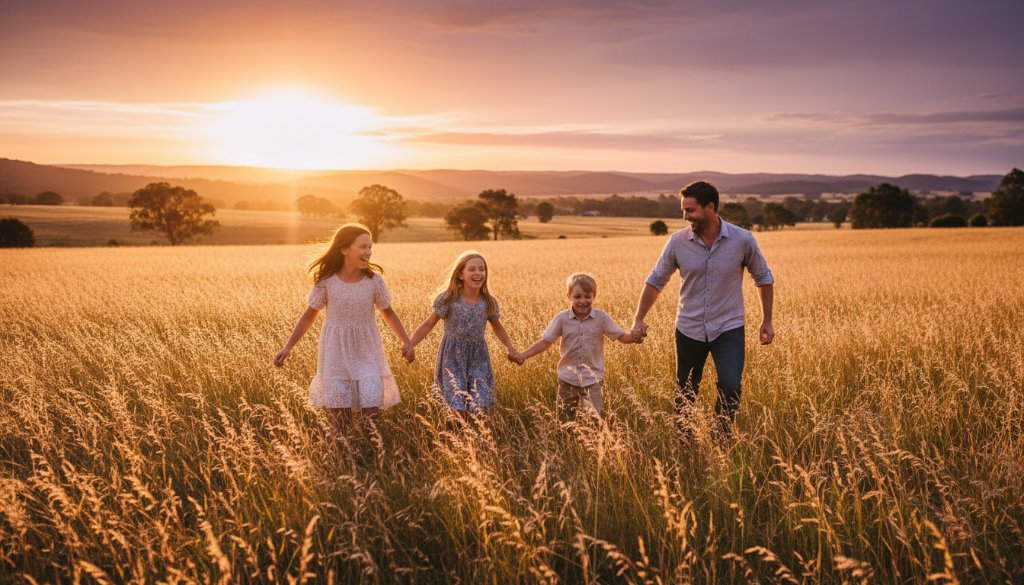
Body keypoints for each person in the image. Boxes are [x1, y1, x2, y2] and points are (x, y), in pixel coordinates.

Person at [631, 180, 775, 438]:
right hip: (689, 327)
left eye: (690, 210)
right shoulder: (677, 243)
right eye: (684, 210)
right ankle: (685, 442)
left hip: (728, 327)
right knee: (686, 390)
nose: (686, 217)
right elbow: (655, 281)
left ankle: (721, 436)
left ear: (710, 207)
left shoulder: (743, 240)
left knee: (731, 385)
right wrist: (639, 318)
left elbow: (764, 278)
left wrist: (767, 321)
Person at [274, 223, 414, 433]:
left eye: (370, 247)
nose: (368, 252)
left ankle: (373, 458)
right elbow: (308, 316)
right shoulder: (326, 282)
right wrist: (287, 347)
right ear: (344, 249)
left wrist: (406, 341)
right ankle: (339, 459)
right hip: (335, 354)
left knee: (372, 412)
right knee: (341, 418)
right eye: (363, 247)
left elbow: (388, 313)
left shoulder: (374, 281)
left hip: (367, 352)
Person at [513, 273, 640, 420]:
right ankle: (565, 442)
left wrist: (635, 336)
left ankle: (595, 442)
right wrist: (523, 355)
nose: (583, 301)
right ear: (569, 296)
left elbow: (622, 337)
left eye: (587, 296)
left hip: (593, 379)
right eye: (578, 296)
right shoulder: (561, 319)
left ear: (594, 296)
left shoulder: (601, 318)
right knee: (564, 419)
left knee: (595, 419)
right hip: (568, 378)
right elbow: (545, 342)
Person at [410, 251, 517, 414]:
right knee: (456, 403)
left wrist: (511, 348)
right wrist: (410, 345)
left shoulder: (488, 301)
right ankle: (456, 435)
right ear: (460, 274)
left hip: (478, 356)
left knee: (477, 403)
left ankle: (475, 437)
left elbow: (498, 327)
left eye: (482, 269)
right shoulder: (449, 299)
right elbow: (428, 324)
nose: (478, 273)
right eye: (472, 269)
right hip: (452, 357)